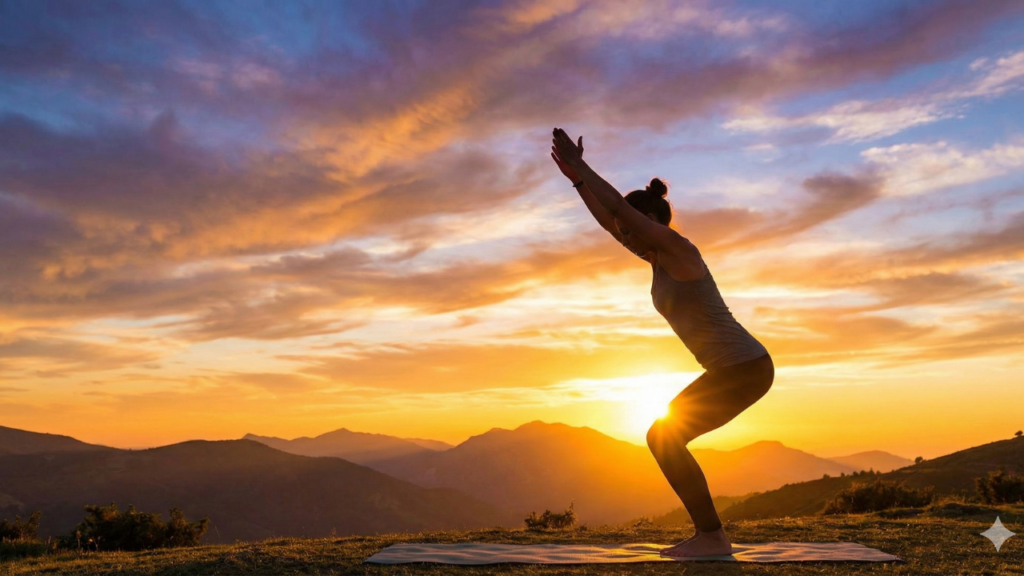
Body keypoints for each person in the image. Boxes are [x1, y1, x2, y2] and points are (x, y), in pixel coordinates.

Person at [550, 127, 774, 558]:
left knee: (663, 437)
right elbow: (611, 219)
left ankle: (712, 537)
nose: (625, 238)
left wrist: (582, 166)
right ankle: (710, 535)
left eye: (631, 229)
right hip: (735, 369)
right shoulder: (655, 256)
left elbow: (618, 208)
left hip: (745, 368)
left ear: (652, 220)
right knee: (664, 437)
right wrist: (577, 183)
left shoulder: (677, 248)